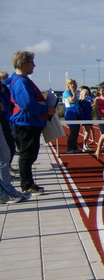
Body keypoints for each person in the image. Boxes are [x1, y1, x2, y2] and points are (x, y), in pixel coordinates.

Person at [6, 51, 55, 195]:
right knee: (27, 155)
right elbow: (27, 103)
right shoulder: (21, 81)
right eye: (31, 62)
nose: (34, 65)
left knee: (29, 154)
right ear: (23, 64)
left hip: (28, 122)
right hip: (26, 122)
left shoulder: (21, 80)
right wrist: (46, 110)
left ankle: (28, 182)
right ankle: (26, 184)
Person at [0, 70, 16, 170]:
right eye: (3, 78)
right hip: (3, 117)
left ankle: (7, 168)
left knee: (10, 147)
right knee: (6, 148)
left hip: (7, 116)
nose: (5, 80)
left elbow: (8, 101)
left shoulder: (5, 88)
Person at [63, 78, 81, 153]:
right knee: (72, 130)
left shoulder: (75, 92)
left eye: (74, 83)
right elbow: (72, 100)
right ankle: (70, 148)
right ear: (68, 85)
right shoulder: (66, 92)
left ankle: (74, 146)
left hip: (76, 111)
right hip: (70, 112)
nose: (73, 85)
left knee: (77, 130)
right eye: (71, 84)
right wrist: (73, 93)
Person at [78, 88, 94, 152]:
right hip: (84, 118)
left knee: (87, 132)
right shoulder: (80, 102)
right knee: (87, 132)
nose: (86, 96)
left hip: (88, 117)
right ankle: (84, 145)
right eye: (85, 95)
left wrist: (91, 118)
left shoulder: (88, 102)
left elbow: (90, 111)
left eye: (87, 95)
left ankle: (86, 145)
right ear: (82, 94)